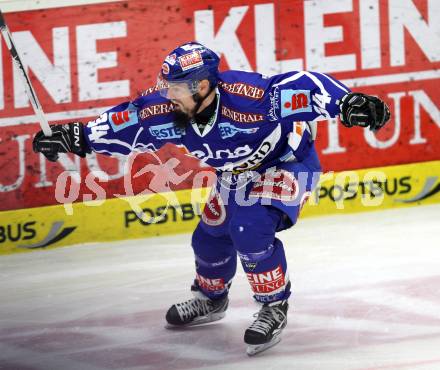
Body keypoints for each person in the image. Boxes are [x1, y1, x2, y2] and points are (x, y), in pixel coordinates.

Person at [33, 42, 390, 355]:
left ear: (202, 85)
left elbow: (303, 88)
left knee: (249, 228)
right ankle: (211, 297)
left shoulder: (250, 98)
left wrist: (348, 102)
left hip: (287, 163)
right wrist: (75, 136)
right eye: (167, 86)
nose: (169, 95)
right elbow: (129, 122)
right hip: (235, 175)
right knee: (208, 237)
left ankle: (274, 306)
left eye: (177, 88)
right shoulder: (169, 111)